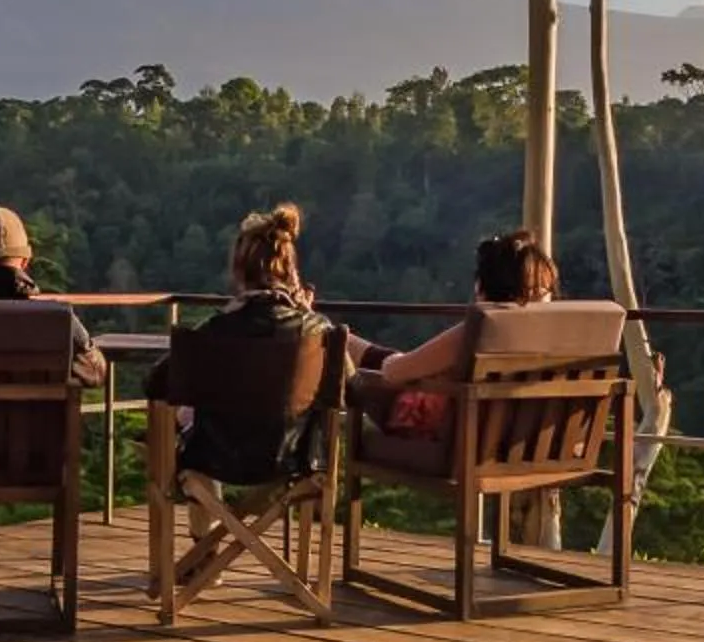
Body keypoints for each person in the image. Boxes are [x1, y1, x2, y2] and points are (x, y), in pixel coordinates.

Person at [0, 204, 106, 578]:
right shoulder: (58, 318)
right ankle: (60, 572)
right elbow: (97, 372)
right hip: (39, 456)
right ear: (26, 261)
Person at [157, 203, 354, 482]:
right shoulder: (317, 330)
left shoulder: (211, 331)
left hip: (213, 460)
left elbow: (154, 381)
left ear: (239, 271)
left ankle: (208, 525)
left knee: (190, 422)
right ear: (291, 272)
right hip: (293, 460)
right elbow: (350, 382)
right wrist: (306, 313)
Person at [349, 229, 560, 439]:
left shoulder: (481, 330)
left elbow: (394, 372)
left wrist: (398, 362)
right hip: (528, 444)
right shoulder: (564, 336)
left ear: (483, 287)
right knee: (358, 347)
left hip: (454, 446)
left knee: (345, 349)